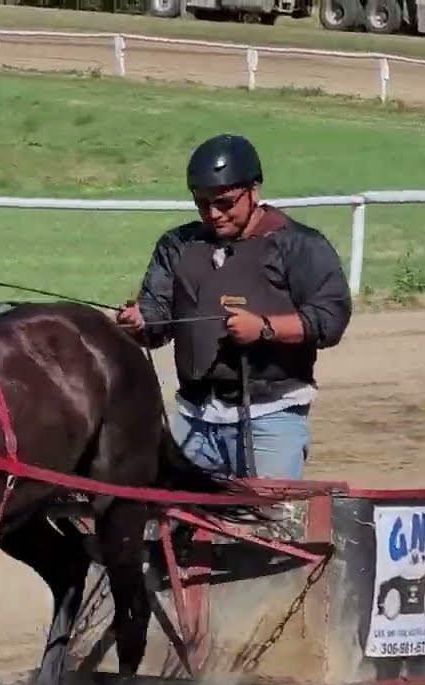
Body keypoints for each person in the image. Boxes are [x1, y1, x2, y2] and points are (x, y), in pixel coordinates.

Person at [116, 133, 352, 521]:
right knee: (177, 527)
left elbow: (331, 318)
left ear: (254, 189)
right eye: (202, 204)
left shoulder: (298, 244)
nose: (213, 214)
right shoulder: (177, 245)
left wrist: (265, 328)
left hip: (270, 415)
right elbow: (156, 317)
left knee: (271, 530)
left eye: (224, 203)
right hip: (194, 418)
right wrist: (139, 321)